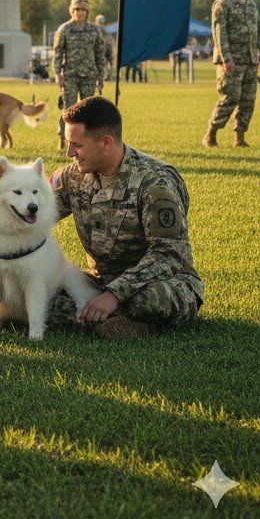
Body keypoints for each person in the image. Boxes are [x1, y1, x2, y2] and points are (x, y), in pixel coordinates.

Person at [49, 96, 203, 339]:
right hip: (100, 282)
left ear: (106, 143)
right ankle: (111, 320)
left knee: (149, 301)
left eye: (76, 145)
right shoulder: (72, 177)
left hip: (158, 282)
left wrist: (115, 294)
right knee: (37, 290)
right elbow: (32, 214)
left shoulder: (154, 181)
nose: (69, 153)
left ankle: (110, 317)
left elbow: (168, 254)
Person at [203, 0, 260, 148]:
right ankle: (211, 134)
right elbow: (219, 33)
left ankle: (239, 137)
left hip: (251, 61)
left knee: (248, 100)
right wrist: (226, 59)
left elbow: (258, 31)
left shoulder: (251, 3)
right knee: (230, 98)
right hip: (232, 62)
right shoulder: (223, 3)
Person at [52, 0, 105, 149]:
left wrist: (101, 76)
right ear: (72, 11)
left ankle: (86, 140)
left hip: (89, 75)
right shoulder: (65, 29)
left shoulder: (94, 30)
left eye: (83, 10)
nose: (80, 12)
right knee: (68, 109)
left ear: (87, 12)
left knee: (87, 110)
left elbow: (100, 54)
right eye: (77, 9)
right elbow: (58, 52)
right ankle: (63, 138)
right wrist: (57, 74)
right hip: (70, 76)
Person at [94, 14, 114, 81]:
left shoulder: (103, 30)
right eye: (100, 22)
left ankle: (107, 76)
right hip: (97, 50)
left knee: (106, 63)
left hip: (103, 50)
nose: (101, 24)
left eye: (102, 22)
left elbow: (107, 39)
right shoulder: (94, 29)